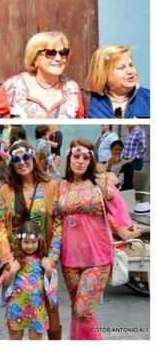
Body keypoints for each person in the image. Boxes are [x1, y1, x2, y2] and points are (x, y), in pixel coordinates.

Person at [57, 139, 140, 339]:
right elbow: (54, 219)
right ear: (69, 159)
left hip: (97, 258)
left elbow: (118, 209)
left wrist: (126, 228)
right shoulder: (62, 186)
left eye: (85, 157)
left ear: (90, 161)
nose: (80, 161)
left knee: (83, 311)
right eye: (76, 156)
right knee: (77, 311)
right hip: (69, 259)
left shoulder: (100, 183)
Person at [0, 140, 62, 339]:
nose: (22, 162)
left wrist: (52, 258)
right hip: (16, 261)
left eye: (26, 157)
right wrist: (8, 261)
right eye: (16, 159)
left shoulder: (50, 186)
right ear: (12, 163)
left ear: (33, 157)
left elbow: (58, 224)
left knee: (50, 310)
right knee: (16, 310)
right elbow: (0, 227)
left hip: (42, 259)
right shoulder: (5, 191)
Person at [0, 31, 84, 118]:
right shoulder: (13, 86)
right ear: (34, 59)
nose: (58, 58)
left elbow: (81, 127)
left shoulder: (72, 88)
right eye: (50, 53)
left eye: (63, 53)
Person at [0, 221, 53, 340]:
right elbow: (5, 284)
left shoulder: (43, 259)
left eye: (33, 242)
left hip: (36, 307)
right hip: (16, 307)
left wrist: (48, 270)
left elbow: (51, 286)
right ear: (19, 242)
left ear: (39, 241)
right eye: (26, 242)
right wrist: (12, 271)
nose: (30, 246)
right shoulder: (13, 259)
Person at [86, 44, 150, 118]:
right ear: (103, 73)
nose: (130, 71)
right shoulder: (88, 101)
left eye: (131, 65)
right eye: (121, 68)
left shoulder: (149, 98)